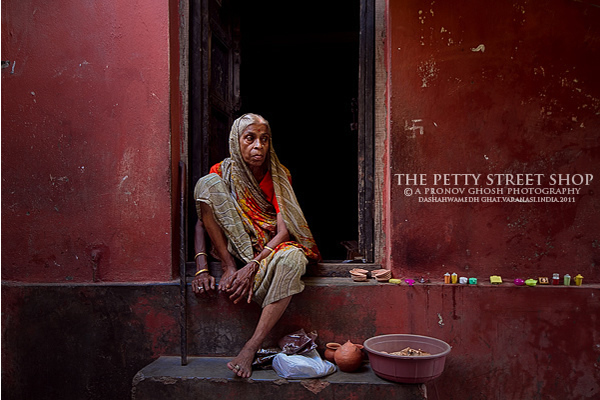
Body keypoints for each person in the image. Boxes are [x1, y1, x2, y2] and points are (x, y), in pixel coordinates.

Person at [191, 113, 321, 378]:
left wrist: (253, 263)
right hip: (236, 251)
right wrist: (206, 268)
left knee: (295, 258)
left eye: (264, 139)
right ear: (236, 141)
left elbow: (284, 230)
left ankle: (252, 346)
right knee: (206, 183)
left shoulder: (279, 174)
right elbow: (201, 223)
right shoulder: (221, 173)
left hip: (267, 250)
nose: (258, 146)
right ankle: (230, 265)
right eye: (250, 138)